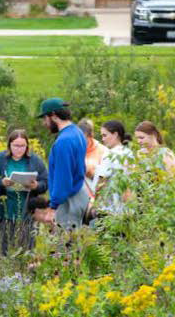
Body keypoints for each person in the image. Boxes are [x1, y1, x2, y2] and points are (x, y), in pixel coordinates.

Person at [0, 129, 48, 256]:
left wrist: (36, 185)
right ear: (9, 145)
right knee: (4, 251)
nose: (19, 149)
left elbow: (45, 182)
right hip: (5, 211)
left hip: (27, 212)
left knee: (27, 251)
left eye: (23, 146)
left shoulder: (34, 160)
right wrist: (1, 183)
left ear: (27, 146)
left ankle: (25, 273)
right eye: (16, 146)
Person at [38, 98, 89, 230]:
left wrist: (52, 207)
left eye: (45, 118)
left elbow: (63, 179)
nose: (44, 123)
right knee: (75, 245)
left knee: (65, 247)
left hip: (68, 201)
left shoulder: (63, 141)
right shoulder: (77, 132)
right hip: (79, 194)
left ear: (53, 116)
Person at [93, 120, 135, 215]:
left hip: (109, 209)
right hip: (127, 209)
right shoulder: (129, 152)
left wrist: (94, 202)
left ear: (115, 134)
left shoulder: (109, 154)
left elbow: (102, 181)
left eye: (105, 135)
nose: (102, 139)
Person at [78, 118, 109, 187]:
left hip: (95, 193)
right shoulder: (74, 149)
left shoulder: (103, 151)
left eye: (84, 138)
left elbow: (106, 178)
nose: (81, 142)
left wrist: (91, 174)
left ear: (91, 135)